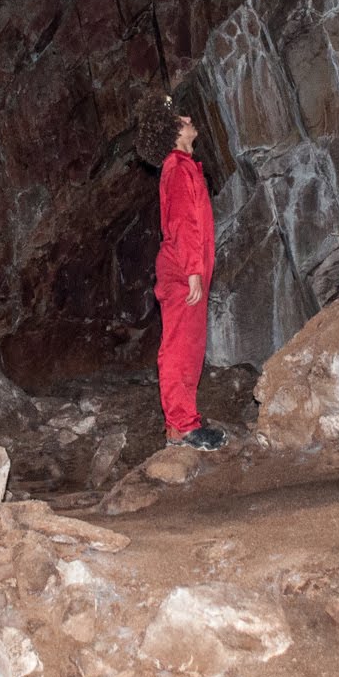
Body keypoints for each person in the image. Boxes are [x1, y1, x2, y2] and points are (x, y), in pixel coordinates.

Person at [131, 92, 229, 451]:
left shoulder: (183, 167)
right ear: (172, 130)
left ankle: (184, 422)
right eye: (181, 118)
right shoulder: (176, 168)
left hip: (187, 266)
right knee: (179, 347)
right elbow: (182, 223)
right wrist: (192, 271)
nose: (188, 118)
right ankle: (182, 427)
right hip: (180, 269)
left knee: (190, 345)